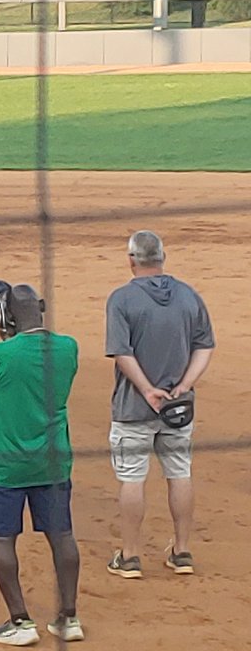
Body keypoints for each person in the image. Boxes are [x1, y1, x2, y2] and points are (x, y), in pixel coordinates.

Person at [0, 281, 82, 646]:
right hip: (53, 461)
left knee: (2, 538)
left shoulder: (1, 354)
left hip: (5, 465)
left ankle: (20, 621)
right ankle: (68, 618)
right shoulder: (67, 349)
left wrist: (4, 339)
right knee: (61, 535)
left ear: (8, 320)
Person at [105, 231, 215, 579]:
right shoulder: (188, 295)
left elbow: (122, 352)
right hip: (179, 409)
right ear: (163, 257)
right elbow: (204, 346)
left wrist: (148, 389)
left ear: (132, 260)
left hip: (134, 407)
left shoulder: (122, 299)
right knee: (180, 472)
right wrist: (184, 385)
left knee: (132, 479)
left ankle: (131, 556)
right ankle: (182, 552)